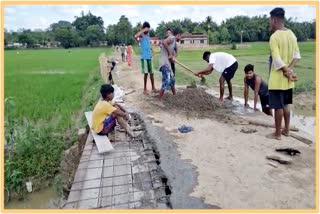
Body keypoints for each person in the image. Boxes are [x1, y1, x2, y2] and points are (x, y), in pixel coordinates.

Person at [266, 7, 300, 140]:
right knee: (286, 105)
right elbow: (296, 55)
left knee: (277, 106)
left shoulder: (274, 37)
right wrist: (290, 70)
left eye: (270, 20)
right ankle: (286, 130)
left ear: (274, 20)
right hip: (288, 80)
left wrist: (285, 71)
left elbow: (277, 59)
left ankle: (277, 134)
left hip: (277, 79)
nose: (270, 23)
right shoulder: (292, 34)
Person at [158, 29, 181, 99]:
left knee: (172, 79)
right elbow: (164, 42)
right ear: (178, 35)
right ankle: (159, 98)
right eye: (180, 37)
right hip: (164, 63)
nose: (181, 38)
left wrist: (173, 57)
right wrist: (170, 54)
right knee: (167, 80)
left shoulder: (174, 43)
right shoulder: (172, 38)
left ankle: (174, 95)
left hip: (168, 63)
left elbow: (176, 52)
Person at [134, 21, 156, 94]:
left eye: (149, 29)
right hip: (144, 58)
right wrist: (143, 30)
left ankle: (153, 87)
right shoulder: (141, 36)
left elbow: (148, 45)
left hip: (149, 57)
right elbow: (135, 36)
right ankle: (145, 89)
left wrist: (152, 50)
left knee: (152, 73)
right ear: (145, 28)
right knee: (146, 73)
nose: (148, 30)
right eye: (148, 29)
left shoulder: (148, 36)